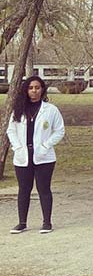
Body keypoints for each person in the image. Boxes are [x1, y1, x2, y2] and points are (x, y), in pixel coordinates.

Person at [7, 76, 65, 234]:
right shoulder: (18, 109)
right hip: (23, 156)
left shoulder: (50, 110)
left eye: (37, 88)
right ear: (26, 90)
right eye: (31, 88)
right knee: (24, 189)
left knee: (43, 188)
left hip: (44, 156)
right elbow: (11, 130)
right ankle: (22, 223)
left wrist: (46, 145)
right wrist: (17, 147)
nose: (34, 91)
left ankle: (47, 222)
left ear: (42, 90)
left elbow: (59, 130)